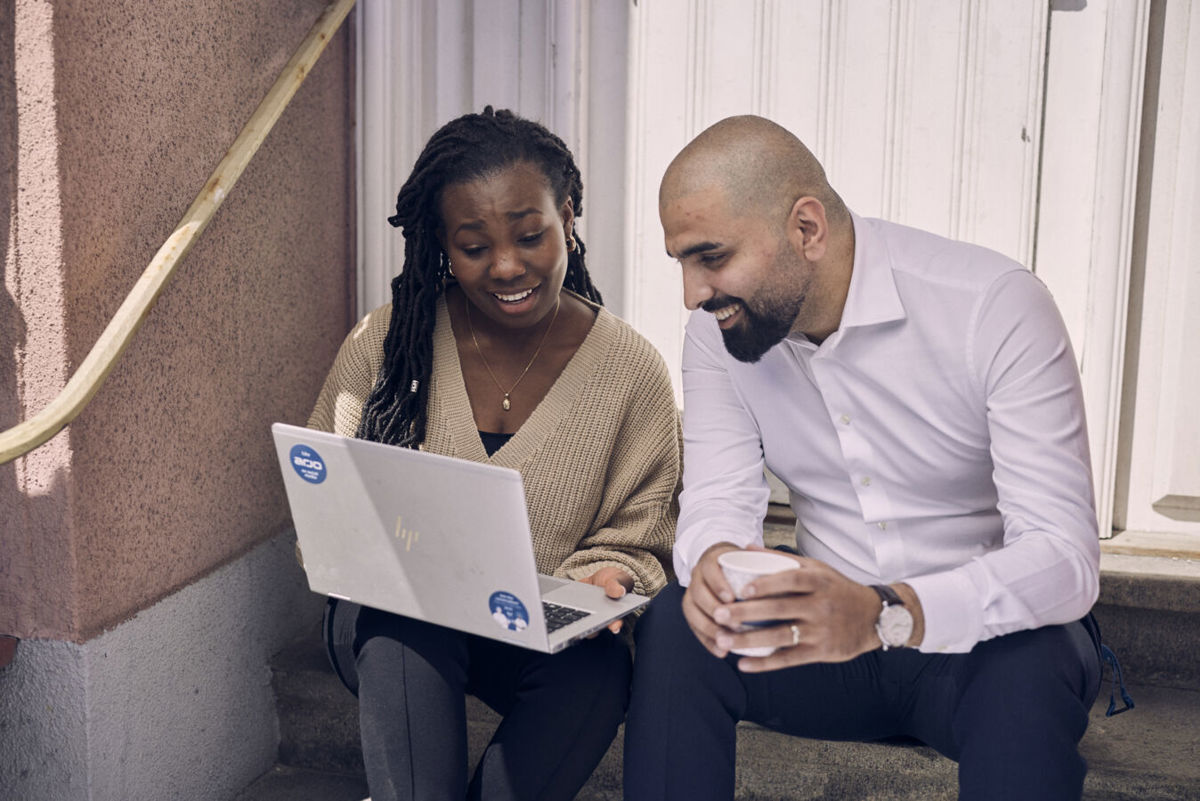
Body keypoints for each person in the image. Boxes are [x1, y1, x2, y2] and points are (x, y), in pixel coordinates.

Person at [622, 115, 1107, 801]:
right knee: (678, 623)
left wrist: (888, 611)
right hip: (821, 645)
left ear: (808, 229)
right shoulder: (716, 335)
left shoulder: (992, 306)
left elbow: (1065, 555)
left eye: (712, 257)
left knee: (1032, 660)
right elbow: (716, 502)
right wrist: (710, 560)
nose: (693, 293)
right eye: (682, 263)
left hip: (980, 653)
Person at [307, 107, 680, 801]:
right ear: (442, 244)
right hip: (397, 619)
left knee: (599, 674)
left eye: (531, 235)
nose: (508, 266)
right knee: (402, 620)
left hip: (532, 622)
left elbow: (639, 538)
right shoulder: (389, 343)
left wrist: (608, 574)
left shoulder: (632, 372)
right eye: (475, 246)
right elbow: (326, 502)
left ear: (568, 215)